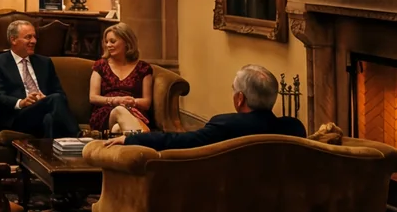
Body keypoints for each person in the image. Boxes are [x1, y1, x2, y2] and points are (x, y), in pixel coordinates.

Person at [124, 62, 304, 149]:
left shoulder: (226, 126)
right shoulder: (293, 128)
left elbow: (180, 142)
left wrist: (130, 139)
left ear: (239, 99)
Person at [0, 18, 78, 139]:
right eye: (28, 37)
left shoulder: (44, 62)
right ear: (13, 40)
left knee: (49, 118)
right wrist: (21, 102)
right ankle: (78, 135)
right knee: (54, 100)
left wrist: (45, 100)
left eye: (34, 37)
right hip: (19, 116)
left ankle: (47, 156)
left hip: (43, 111)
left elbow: (60, 93)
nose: (33, 41)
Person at [88, 22, 153, 136]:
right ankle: (143, 138)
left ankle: (126, 140)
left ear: (127, 43)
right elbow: (93, 97)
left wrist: (131, 102)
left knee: (118, 129)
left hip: (134, 111)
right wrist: (116, 101)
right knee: (119, 110)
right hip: (106, 112)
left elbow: (146, 102)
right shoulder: (100, 66)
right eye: (106, 42)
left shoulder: (143, 68)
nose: (108, 45)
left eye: (113, 41)